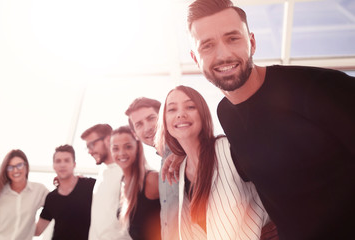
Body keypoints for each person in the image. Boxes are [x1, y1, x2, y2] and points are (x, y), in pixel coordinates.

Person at [184, 0, 355, 239]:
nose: (223, 54)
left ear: (251, 42)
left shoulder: (319, 87)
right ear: (195, 58)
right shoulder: (226, 113)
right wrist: (177, 155)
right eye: (207, 46)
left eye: (233, 38)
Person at [157, 85, 270, 239]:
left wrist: (279, 224)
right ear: (165, 120)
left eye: (190, 106)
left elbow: (280, 184)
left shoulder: (229, 149)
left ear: (203, 115)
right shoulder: (182, 169)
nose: (180, 114)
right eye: (172, 109)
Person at [125, 97, 179, 240]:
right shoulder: (163, 164)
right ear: (135, 134)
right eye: (139, 124)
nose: (147, 127)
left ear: (164, 118)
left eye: (151, 118)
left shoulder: (183, 153)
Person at [0, 149, 48, 240]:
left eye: (19, 165)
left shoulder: (39, 190)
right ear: (6, 171)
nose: (15, 170)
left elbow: (58, 205)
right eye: (10, 167)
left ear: (26, 166)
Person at [81, 124, 131, 240]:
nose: (89, 151)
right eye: (87, 147)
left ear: (108, 139)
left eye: (92, 145)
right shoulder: (103, 170)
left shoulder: (128, 170)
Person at [110, 126, 161, 240]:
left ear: (137, 148)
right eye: (115, 148)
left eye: (128, 147)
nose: (121, 153)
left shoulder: (151, 179)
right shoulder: (123, 182)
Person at [35, 144, 95, 240]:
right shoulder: (51, 198)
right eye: (58, 161)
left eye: (66, 160)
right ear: (54, 165)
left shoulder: (90, 185)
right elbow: (38, 231)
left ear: (74, 164)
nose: (62, 165)